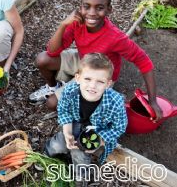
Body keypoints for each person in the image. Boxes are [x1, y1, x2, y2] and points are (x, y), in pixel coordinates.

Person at [28, 0, 162, 120]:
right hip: (83, 60)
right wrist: (63, 25)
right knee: (42, 59)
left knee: (52, 103)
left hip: (99, 73)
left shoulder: (115, 37)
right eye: (86, 6)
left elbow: (144, 61)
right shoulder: (76, 23)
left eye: (99, 8)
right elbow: (52, 51)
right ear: (80, 7)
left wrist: (152, 101)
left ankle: (101, 101)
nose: (92, 13)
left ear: (109, 9)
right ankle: (53, 87)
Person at [44, 53, 127, 186]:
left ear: (108, 84)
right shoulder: (70, 90)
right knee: (58, 144)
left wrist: (100, 140)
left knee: (81, 156)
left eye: (100, 81)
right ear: (78, 78)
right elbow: (64, 110)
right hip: (75, 123)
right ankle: (46, 155)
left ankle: (80, 180)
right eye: (87, 79)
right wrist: (67, 132)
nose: (93, 86)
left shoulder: (115, 102)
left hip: (97, 131)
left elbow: (120, 127)